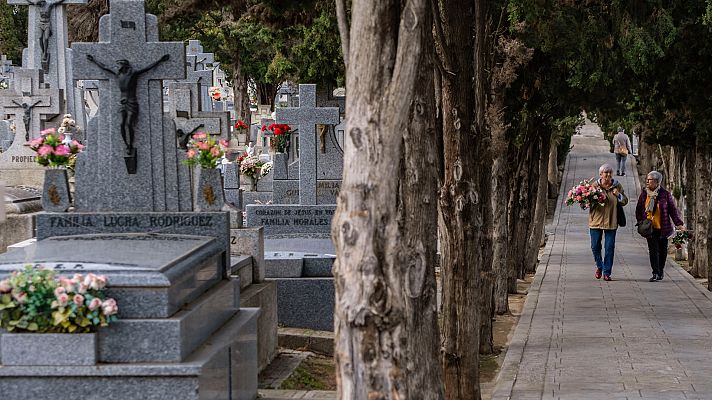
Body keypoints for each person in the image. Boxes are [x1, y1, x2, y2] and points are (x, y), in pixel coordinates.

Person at [635, 171, 685, 282]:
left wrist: (679, 223)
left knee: (662, 251)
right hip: (650, 229)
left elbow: (672, 210)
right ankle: (655, 273)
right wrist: (641, 222)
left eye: (650, 180)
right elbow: (639, 209)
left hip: (663, 228)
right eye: (647, 179)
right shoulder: (644, 194)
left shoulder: (665, 194)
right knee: (653, 251)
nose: (647, 182)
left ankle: (661, 270)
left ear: (657, 182)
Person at [589, 164, 628, 281]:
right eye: (605, 173)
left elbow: (625, 201)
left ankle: (607, 272)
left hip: (612, 221)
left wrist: (618, 195)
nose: (608, 175)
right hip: (596, 221)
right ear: (600, 174)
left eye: (610, 172)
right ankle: (600, 266)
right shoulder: (594, 186)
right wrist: (592, 196)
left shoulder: (617, 186)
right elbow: (586, 203)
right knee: (595, 246)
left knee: (609, 248)